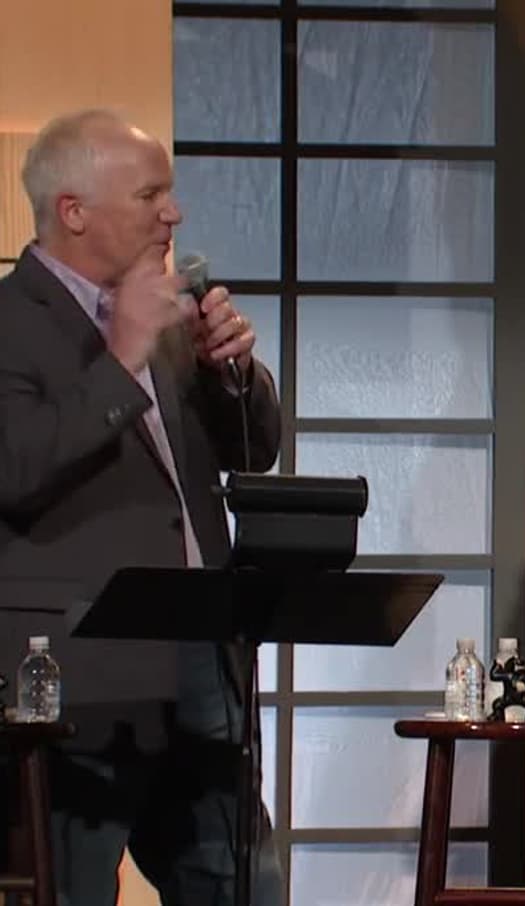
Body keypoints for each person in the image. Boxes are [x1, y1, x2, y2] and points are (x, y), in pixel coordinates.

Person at [0, 109, 283, 903]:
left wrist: (233, 374)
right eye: (150, 194)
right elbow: (14, 467)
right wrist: (121, 357)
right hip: (76, 672)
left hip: (203, 661)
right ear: (74, 211)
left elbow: (254, 451)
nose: (174, 213)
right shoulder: (11, 322)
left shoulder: (166, 317)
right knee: (72, 888)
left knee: (243, 885)